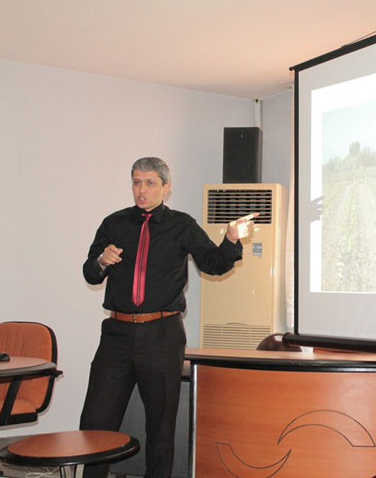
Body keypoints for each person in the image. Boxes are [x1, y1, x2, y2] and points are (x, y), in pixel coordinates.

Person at [81, 157, 254, 478]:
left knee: (161, 426)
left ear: (166, 187)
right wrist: (101, 262)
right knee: (96, 422)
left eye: (149, 183)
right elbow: (91, 273)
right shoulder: (113, 223)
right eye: (135, 182)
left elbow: (214, 263)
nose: (140, 190)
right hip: (117, 334)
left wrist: (231, 239)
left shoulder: (182, 225)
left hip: (162, 335)